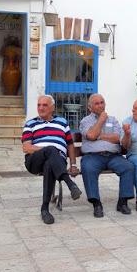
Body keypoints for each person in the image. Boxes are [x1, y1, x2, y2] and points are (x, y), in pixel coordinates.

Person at [22, 95, 82, 225]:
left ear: (52, 108)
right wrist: (47, 150)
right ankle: (70, 184)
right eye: (39, 105)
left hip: (57, 161)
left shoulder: (62, 122)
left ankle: (44, 209)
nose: (40, 108)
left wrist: (73, 164)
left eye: (44, 105)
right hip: (34, 161)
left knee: (50, 163)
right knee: (51, 150)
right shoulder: (30, 124)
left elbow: (70, 144)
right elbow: (27, 148)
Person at [79, 94, 135, 218]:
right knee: (87, 168)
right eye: (97, 103)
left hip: (113, 156)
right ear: (90, 107)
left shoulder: (113, 120)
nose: (100, 105)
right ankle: (96, 204)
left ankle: (123, 202)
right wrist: (101, 120)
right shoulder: (85, 121)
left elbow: (117, 138)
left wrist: (100, 136)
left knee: (128, 167)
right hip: (92, 156)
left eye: (102, 102)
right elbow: (91, 136)